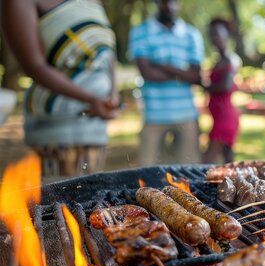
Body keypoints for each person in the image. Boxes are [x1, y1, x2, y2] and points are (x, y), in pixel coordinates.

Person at [1, 0, 119, 178]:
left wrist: (113, 94)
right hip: (57, 129)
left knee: (89, 194)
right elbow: (34, 66)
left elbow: (106, 53)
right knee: (61, 198)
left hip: (95, 125)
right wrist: (90, 99)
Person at [129, 0, 204, 165]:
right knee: (147, 171)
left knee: (189, 171)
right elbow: (147, 73)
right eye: (164, 2)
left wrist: (162, 65)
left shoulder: (192, 34)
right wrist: (182, 73)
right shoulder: (140, 32)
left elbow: (195, 76)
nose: (169, 6)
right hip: (154, 115)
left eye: (174, 2)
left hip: (187, 115)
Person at [202, 18, 241, 164]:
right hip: (220, 116)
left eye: (217, 33)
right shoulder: (220, 60)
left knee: (206, 162)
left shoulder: (230, 60)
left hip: (225, 118)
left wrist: (203, 85)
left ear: (226, 35)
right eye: (212, 34)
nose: (214, 37)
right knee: (228, 162)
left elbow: (225, 86)